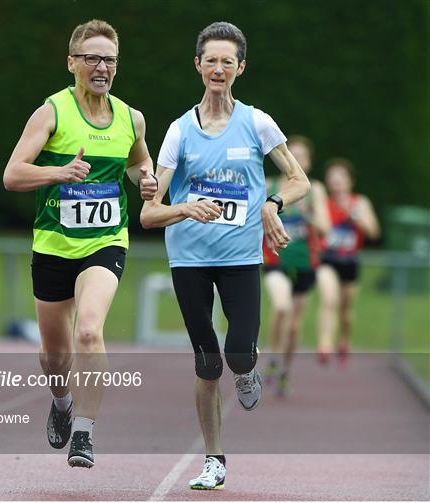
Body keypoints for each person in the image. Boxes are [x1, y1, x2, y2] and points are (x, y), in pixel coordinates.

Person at [140, 22, 310, 490]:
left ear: (240, 68)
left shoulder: (256, 122)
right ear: (198, 66)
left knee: (236, 354)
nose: (218, 69)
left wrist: (273, 204)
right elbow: (149, 215)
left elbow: (299, 180)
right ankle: (215, 459)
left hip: (239, 257)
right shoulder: (178, 131)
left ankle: (248, 367)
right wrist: (184, 207)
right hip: (189, 259)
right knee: (207, 363)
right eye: (210, 60)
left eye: (227, 62)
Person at [3, 19, 157, 469]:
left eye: (109, 59)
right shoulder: (52, 112)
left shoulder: (132, 118)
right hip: (54, 245)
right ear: (72, 63)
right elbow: (13, 175)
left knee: (89, 330)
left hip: (105, 243)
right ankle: (62, 400)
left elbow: (139, 162)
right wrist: (58, 172)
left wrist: (145, 181)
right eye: (92, 57)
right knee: (55, 356)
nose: (101, 66)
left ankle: (85, 435)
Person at [262, 135, 330, 396]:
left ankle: (284, 370)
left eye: (303, 156)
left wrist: (307, 213)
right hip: (276, 260)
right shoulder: (269, 184)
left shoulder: (316, 190)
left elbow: (325, 227)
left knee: (294, 326)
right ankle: (272, 355)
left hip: (305, 264)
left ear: (309, 162)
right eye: (293, 154)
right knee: (281, 305)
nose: (297, 159)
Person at [316, 158, 380, 365]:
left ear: (350, 181)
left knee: (345, 311)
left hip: (350, 261)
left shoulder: (360, 202)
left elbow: (374, 232)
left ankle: (343, 339)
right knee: (329, 299)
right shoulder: (322, 204)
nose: (335, 180)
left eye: (340, 177)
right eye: (331, 176)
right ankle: (324, 345)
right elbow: (317, 230)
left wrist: (358, 219)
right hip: (328, 259)